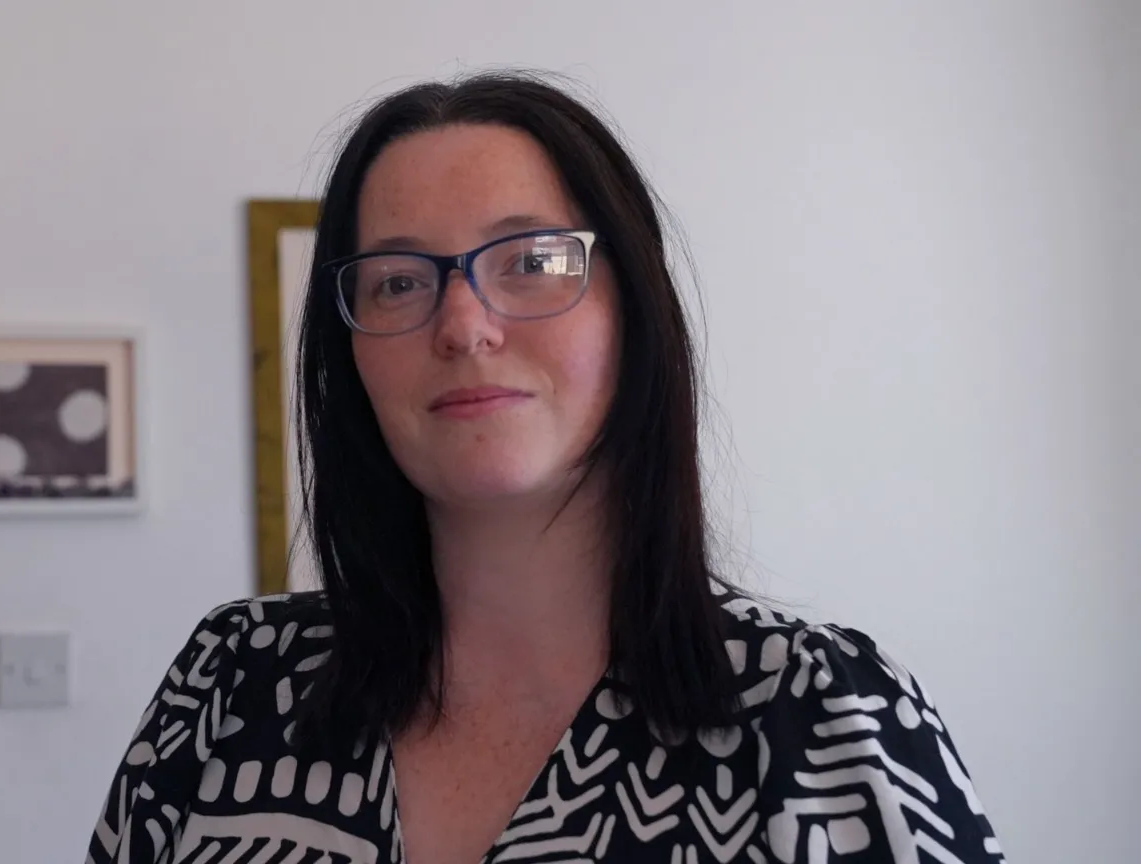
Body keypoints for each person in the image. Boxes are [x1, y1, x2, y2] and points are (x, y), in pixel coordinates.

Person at [84, 72, 1003, 864]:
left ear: (632, 313)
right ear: (349, 355)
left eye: (531, 260)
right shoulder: (231, 684)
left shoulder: (823, 718)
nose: (464, 324)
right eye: (399, 281)